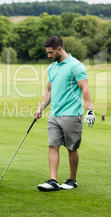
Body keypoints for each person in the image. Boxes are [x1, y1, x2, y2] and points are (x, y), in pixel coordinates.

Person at [34, 36, 95, 191]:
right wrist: (40, 108)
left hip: (72, 114)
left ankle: (72, 180)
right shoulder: (52, 68)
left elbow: (85, 88)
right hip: (54, 114)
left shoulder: (76, 66)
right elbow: (49, 91)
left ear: (59, 49)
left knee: (71, 148)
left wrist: (90, 110)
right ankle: (53, 181)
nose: (49, 56)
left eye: (51, 52)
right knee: (52, 146)